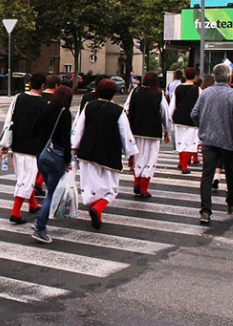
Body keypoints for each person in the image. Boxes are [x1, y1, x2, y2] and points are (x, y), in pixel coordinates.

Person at [72, 78, 137, 231]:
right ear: (113, 93)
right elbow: (125, 134)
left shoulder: (89, 106)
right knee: (111, 188)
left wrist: (74, 146)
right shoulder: (117, 111)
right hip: (109, 153)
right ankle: (98, 209)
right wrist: (131, 155)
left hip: (88, 151)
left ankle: (96, 212)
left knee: (91, 185)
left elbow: (78, 127)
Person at [191, 63, 233, 225]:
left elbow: (194, 113)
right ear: (230, 77)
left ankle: (205, 210)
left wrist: (202, 127)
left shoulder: (205, 93)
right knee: (231, 172)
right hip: (228, 140)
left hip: (208, 139)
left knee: (207, 175)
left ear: (214, 76)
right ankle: (231, 202)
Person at [0, 73, 47, 224]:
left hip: (18, 143)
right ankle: (15, 212)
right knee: (27, 178)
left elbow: (9, 120)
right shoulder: (43, 104)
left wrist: (5, 143)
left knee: (24, 177)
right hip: (33, 146)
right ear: (42, 86)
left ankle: (32, 204)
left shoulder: (18, 98)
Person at [30, 85, 73, 243]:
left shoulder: (45, 109)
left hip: (41, 155)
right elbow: (66, 140)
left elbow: (34, 131)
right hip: (56, 158)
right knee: (53, 193)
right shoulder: (64, 113)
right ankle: (40, 227)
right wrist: (68, 160)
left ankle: (39, 222)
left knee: (50, 190)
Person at [125, 71, 171, 199]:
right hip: (153, 131)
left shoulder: (135, 91)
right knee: (150, 158)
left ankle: (136, 181)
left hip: (135, 130)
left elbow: (126, 108)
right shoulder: (158, 94)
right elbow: (165, 114)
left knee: (137, 157)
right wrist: (167, 130)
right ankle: (144, 188)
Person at [168, 67, 200, 174]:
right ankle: (185, 166)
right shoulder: (198, 90)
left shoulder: (178, 88)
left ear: (185, 76)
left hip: (178, 118)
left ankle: (181, 162)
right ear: (195, 76)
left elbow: (172, 105)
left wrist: (169, 118)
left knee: (180, 141)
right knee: (189, 143)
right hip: (191, 119)